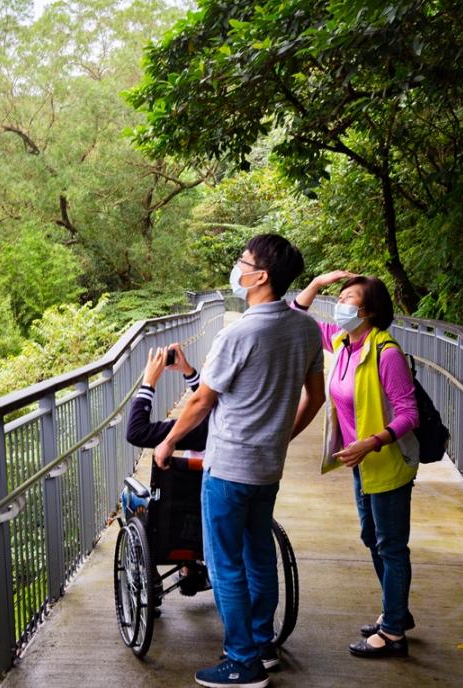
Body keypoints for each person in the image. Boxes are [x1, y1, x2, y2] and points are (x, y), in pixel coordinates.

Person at [154, 234, 327, 688]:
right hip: (268, 467)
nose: (238, 268)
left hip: (229, 465)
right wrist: (283, 437)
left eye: (243, 262)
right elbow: (316, 397)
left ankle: (240, 661)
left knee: (226, 562)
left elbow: (200, 403)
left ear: (261, 276)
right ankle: (262, 644)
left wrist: (168, 442)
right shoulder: (306, 329)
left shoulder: (239, 333)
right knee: (258, 554)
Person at [294, 271, 420, 658]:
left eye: (348, 297)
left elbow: (409, 413)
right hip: (361, 465)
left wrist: (371, 442)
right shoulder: (343, 342)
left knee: (392, 546)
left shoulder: (387, 353)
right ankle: (395, 610)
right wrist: (317, 282)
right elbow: (294, 317)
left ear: (368, 310)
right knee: (372, 537)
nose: (341, 302)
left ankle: (394, 631)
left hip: (387, 464)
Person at [126, 343, 210, 596]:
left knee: (131, 497)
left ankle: (151, 576)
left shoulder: (192, 431)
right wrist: (189, 373)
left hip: (178, 526)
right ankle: (190, 570)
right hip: (218, 513)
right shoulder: (232, 421)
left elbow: (136, 431)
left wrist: (148, 383)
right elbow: (209, 403)